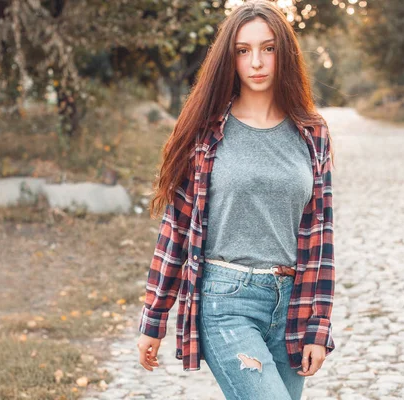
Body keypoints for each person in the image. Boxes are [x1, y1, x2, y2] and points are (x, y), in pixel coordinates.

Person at [136, 1, 336, 398]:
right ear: (230, 58)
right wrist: (154, 318)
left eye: (269, 48)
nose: (257, 62)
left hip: (290, 305)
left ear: (285, 54)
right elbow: (176, 228)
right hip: (226, 301)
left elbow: (321, 237)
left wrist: (319, 325)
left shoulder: (312, 133)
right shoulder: (206, 133)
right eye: (243, 51)